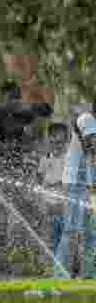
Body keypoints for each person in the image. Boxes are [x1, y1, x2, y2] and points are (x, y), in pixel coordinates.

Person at [0, 81, 54, 277]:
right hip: (10, 170)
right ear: (8, 96)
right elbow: (47, 110)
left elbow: (46, 110)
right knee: (11, 215)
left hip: (14, 170)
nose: (15, 99)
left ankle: (15, 258)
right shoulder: (4, 112)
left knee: (14, 215)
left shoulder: (12, 111)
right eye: (14, 95)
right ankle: (6, 259)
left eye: (16, 96)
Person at [59, 103, 96, 279]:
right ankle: (61, 273)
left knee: (89, 231)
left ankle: (88, 273)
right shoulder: (87, 119)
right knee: (71, 230)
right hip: (74, 183)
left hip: (85, 184)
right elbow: (91, 146)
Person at [40, 122, 71, 278]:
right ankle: (50, 268)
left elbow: (68, 181)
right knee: (49, 237)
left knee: (64, 237)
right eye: (53, 141)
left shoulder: (69, 158)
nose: (56, 145)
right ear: (49, 140)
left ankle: (64, 268)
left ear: (66, 141)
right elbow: (40, 179)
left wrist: (57, 184)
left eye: (60, 142)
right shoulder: (45, 158)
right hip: (48, 203)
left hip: (63, 203)